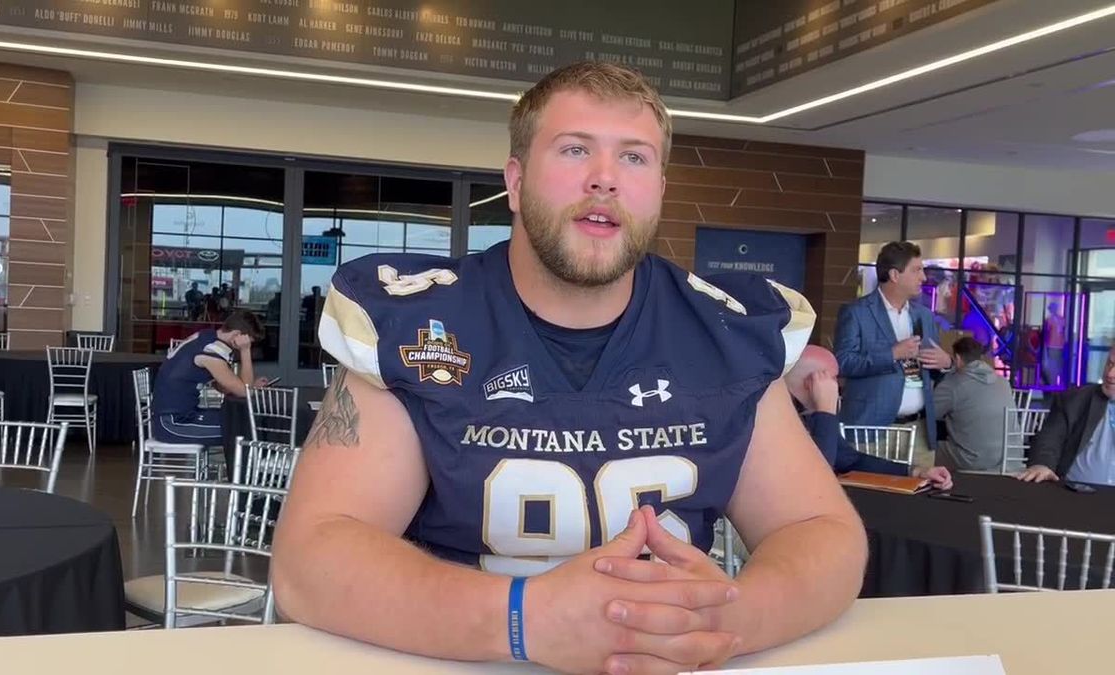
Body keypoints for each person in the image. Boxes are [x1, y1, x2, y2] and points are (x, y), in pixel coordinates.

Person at [272, 62, 866, 675]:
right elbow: (311, 560)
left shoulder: (724, 334)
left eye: (634, 158)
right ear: (516, 179)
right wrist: (524, 619)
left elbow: (823, 531)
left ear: (660, 188)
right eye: (576, 149)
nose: (605, 179)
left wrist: (728, 617)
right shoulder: (424, 321)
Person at [834, 241, 953, 464]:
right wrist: (891, 354)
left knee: (920, 495)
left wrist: (945, 363)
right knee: (870, 495)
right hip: (871, 430)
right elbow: (842, 362)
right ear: (894, 275)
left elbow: (934, 371)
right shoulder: (857, 312)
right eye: (917, 270)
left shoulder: (924, 316)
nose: (924, 278)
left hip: (919, 432)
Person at [785, 345, 952, 488]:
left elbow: (851, 460)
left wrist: (916, 471)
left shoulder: (810, 415)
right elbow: (816, 479)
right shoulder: (781, 422)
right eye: (833, 378)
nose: (836, 387)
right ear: (811, 383)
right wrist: (826, 411)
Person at [151, 309, 267, 463]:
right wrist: (245, 351)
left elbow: (222, 386)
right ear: (237, 335)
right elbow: (243, 392)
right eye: (249, 342)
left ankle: (244, 478)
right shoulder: (211, 351)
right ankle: (244, 482)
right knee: (243, 430)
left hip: (176, 417)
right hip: (173, 423)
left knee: (238, 421)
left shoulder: (206, 337)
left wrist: (247, 387)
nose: (248, 345)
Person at [1017, 350, 1115, 485]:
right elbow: (1049, 439)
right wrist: (1043, 464)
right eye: (1110, 364)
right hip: (1075, 497)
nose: (1110, 374)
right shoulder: (1074, 400)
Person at [932, 337, 1015, 472]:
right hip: (1010, 458)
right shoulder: (1003, 382)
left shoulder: (953, 384)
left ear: (957, 359)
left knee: (925, 449)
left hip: (972, 461)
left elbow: (930, 413)